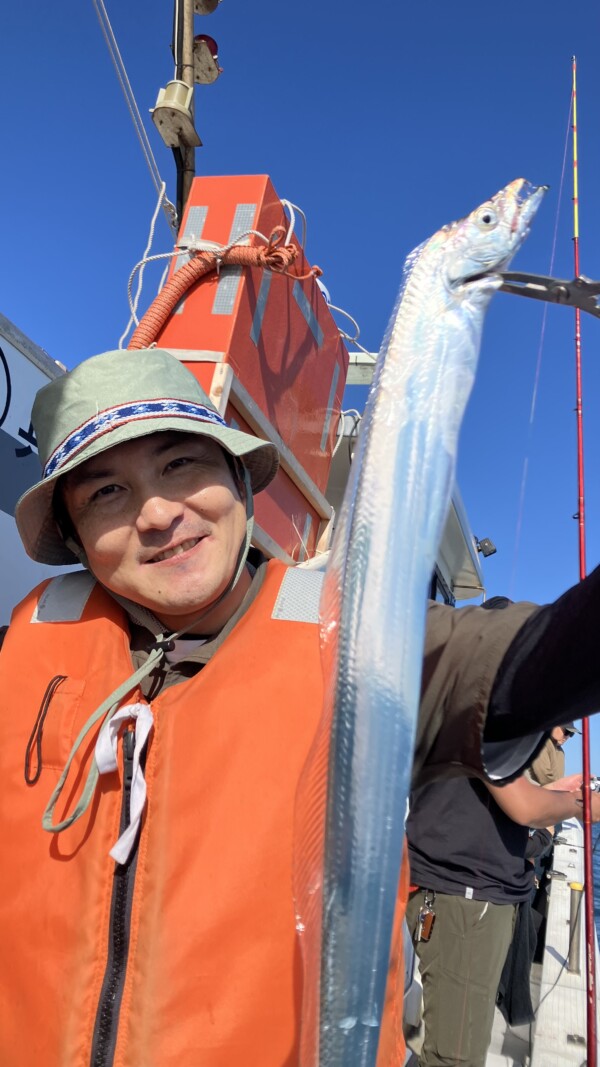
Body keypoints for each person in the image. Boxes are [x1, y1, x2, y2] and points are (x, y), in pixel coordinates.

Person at [3, 347, 600, 1067]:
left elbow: (542, 660)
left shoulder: (358, 643)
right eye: (106, 493)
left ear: (237, 480)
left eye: (181, 464)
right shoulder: (25, 646)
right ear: (72, 536)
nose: (158, 513)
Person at [405, 770, 597, 1067]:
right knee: (455, 1057)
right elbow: (524, 807)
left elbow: (495, 792)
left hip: (474, 898)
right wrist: (580, 804)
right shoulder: (481, 724)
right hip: (467, 902)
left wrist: (557, 792)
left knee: (466, 1044)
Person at [527, 721, 581, 786]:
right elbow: (544, 776)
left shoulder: (560, 752)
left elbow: (558, 779)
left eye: (571, 733)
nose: (567, 736)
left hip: (550, 792)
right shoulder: (541, 743)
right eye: (566, 731)